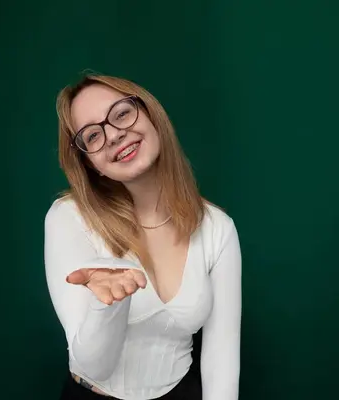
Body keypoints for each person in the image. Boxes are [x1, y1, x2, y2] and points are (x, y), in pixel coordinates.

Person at [44, 73, 242, 399]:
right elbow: (95, 366)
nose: (113, 135)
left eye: (121, 114)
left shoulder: (217, 228)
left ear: (151, 114)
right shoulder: (68, 218)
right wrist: (107, 304)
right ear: (91, 164)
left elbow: (221, 361)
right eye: (93, 135)